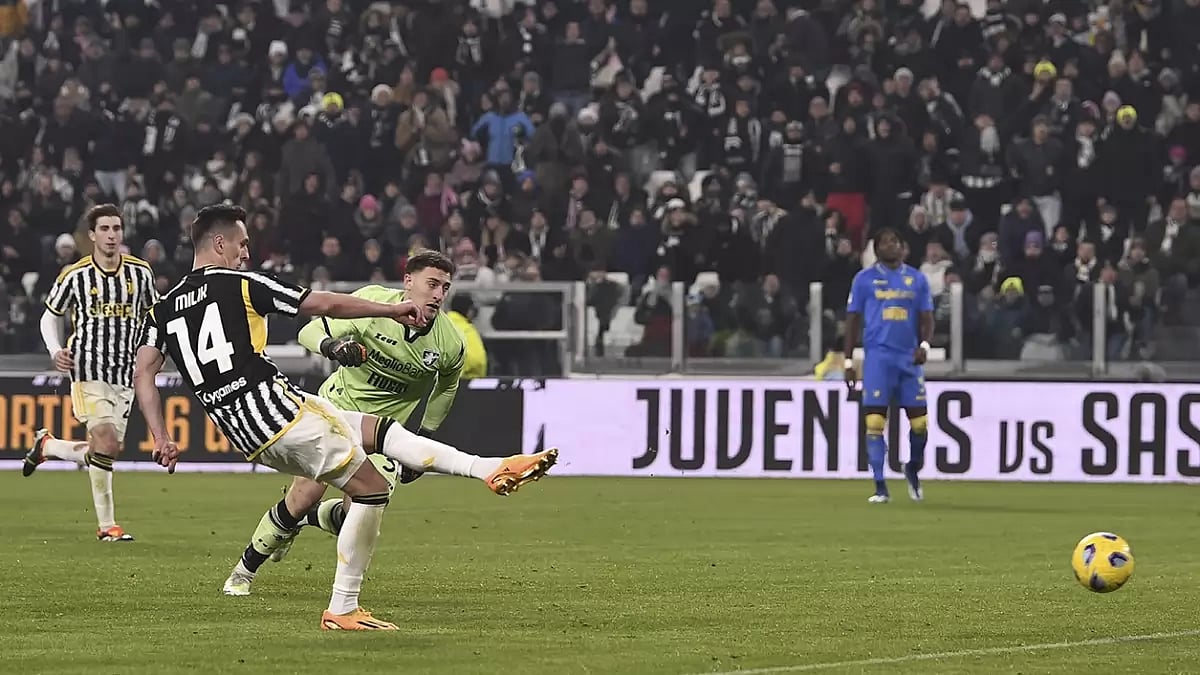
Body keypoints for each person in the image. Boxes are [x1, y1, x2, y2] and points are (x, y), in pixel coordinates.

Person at [133, 204, 437, 630]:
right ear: (220, 244)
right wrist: (390, 309)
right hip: (283, 413)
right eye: (242, 244)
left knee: (339, 493)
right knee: (368, 492)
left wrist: (160, 436)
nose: (246, 254)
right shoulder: (241, 283)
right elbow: (321, 304)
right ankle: (342, 605)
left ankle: (253, 569)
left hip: (241, 430)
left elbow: (143, 372)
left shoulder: (161, 308)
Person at [232, 250, 555, 591]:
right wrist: (334, 346)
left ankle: (315, 531)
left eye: (445, 287)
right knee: (302, 498)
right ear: (408, 282)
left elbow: (445, 390)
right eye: (432, 284)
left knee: (359, 515)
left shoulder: (449, 343)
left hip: (384, 434)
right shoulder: (373, 304)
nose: (438, 295)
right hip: (336, 411)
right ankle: (243, 572)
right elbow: (308, 332)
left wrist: (423, 436)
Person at [23, 204, 158, 543]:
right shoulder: (75, 274)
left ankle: (49, 447)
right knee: (107, 441)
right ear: (92, 235)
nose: (112, 235)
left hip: (125, 375)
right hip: (87, 371)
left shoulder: (141, 274)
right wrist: (56, 351)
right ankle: (107, 526)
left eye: (117, 228)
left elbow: (154, 316)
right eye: (105, 229)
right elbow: (49, 315)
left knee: (107, 449)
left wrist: (154, 354)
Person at [843, 228, 934, 503]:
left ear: (902, 247)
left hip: (908, 359)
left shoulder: (916, 279)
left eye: (895, 241)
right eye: (885, 242)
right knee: (874, 422)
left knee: (920, 423)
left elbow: (927, 318)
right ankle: (880, 485)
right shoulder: (864, 280)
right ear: (876, 249)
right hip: (878, 359)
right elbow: (852, 321)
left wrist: (925, 346)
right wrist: (848, 359)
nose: (891, 246)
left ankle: (913, 467)